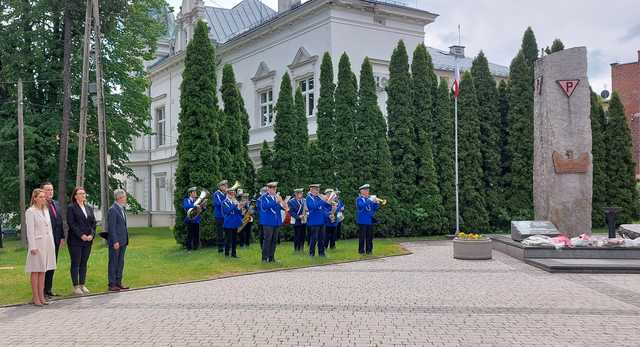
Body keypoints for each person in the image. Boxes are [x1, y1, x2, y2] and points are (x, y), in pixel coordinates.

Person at [25, 188, 56, 306]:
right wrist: (32, 246)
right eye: (41, 197)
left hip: (47, 244)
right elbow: (30, 231)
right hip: (37, 245)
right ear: (35, 198)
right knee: (35, 271)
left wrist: (51, 244)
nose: (44, 199)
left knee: (43, 270)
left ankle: (42, 296)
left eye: (44, 197)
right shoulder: (30, 211)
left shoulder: (46, 210)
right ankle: (36, 297)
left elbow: (49, 229)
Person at [66, 187, 97, 295]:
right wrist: (81, 235)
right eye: (80, 193)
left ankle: (82, 284)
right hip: (75, 240)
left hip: (88, 240)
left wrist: (92, 235)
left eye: (84, 193)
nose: (83, 195)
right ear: (75, 196)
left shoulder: (89, 207)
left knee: (84, 263)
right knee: (76, 263)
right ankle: (76, 286)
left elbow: (93, 223)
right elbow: (72, 223)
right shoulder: (71, 208)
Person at [41, 182, 64, 299]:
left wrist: (62, 237)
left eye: (51, 189)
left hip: (55, 239)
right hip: (45, 241)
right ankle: (42, 290)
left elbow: (60, 222)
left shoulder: (56, 204)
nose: (50, 192)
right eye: (47, 190)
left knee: (52, 265)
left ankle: (49, 289)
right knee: (44, 266)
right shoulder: (41, 205)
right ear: (42, 191)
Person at [107, 189, 130, 292]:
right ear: (119, 198)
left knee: (120, 262)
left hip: (123, 241)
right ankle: (112, 284)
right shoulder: (113, 209)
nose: (126, 199)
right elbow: (111, 227)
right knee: (113, 262)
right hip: (116, 242)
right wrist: (115, 241)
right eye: (124, 197)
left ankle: (118, 282)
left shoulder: (121, 209)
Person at [258, 182, 285, 262]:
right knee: (267, 240)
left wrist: (283, 203)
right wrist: (276, 201)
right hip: (268, 222)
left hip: (276, 222)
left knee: (274, 240)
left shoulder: (276, 197)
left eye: (275, 188)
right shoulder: (263, 197)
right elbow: (265, 206)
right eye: (273, 188)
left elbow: (281, 208)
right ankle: (264, 258)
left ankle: (271, 258)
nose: (274, 190)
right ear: (268, 189)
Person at [306, 184, 331, 257]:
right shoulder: (309, 198)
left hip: (321, 221)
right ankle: (311, 254)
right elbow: (312, 206)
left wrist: (329, 200)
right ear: (311, 190)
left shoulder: (319, 198)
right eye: (316, 189)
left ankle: (321, 253)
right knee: (314, 239)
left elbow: (324, 207)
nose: (318, 191)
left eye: (318, 189)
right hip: (314, 221)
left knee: (322, 238)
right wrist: (323, 200)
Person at [356, 184, 380, 255]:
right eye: (366, 190)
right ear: (361, 191)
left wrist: (376, 203)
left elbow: (374, 209)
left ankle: (369, 250)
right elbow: (361, 206)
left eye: (368, 190)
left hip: (369, 220)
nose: (368, 191)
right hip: (362, 221)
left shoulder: (369, 199)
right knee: (362, 237)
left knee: (370, 237)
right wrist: (369, 200)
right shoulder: (359, 199)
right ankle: (361, 251)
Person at [222, 187, 243, 257]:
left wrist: (239, 208)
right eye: (231, 194)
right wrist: (235, 205)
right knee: (228, 239)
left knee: (234, 239)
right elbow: (227, 211)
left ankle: (234, 254)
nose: (232, 195)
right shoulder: (224, 202)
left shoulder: (234, 201)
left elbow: (237, 212)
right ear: (227, 194)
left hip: (234, 223)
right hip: (228, 223)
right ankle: (227, 254)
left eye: (233, 194)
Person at [213, 180, 228, 253]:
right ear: (220, 187)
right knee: (220, 232)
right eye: (224, 186)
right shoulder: (217, 194)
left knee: (227, 231)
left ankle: (227, 245)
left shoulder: (226, 194)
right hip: (219, 215)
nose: (226, 187)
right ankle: (220, 247)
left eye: (226, 185)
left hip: (225, 215)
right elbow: (219, 203)